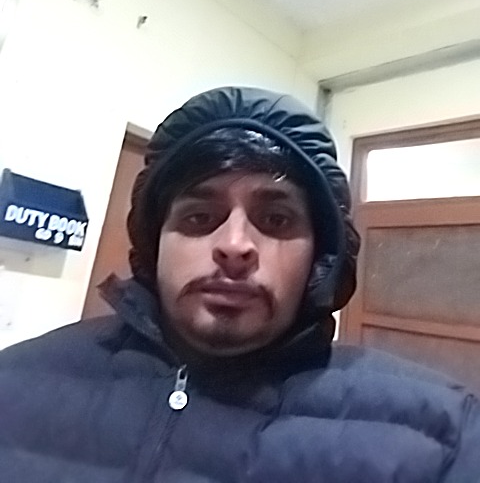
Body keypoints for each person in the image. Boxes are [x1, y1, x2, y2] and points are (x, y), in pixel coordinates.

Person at [0, 86, 479, 483]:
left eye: (275, 219)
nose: (234, 245)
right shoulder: (14, 382)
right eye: (199, 217)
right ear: (153, 241)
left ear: (321, 255)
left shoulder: (444, 438)